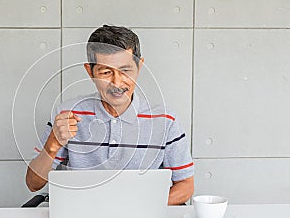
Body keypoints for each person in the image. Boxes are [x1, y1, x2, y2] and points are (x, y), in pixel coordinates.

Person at [26, 25, 194, 205]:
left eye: (125, 70)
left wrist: (139, 207)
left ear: (139, 66)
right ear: (89, 72)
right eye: (106, 72)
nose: (117, 82)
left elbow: (185, 185)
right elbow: (33, 184)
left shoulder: (165, 120)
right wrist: (53, 143)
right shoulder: (67, 114)